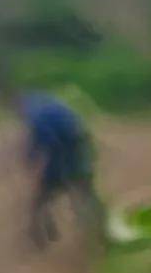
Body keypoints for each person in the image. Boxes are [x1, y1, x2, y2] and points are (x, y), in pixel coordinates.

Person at [16, 92, 101, 247]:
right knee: (86, 197)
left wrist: (30, 159)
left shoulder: (36, 115)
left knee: (40, 202)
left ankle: (41, 238)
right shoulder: (51, 106)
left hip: (62, 160)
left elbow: (44, 140)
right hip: (79, 156)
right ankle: (99, 234)